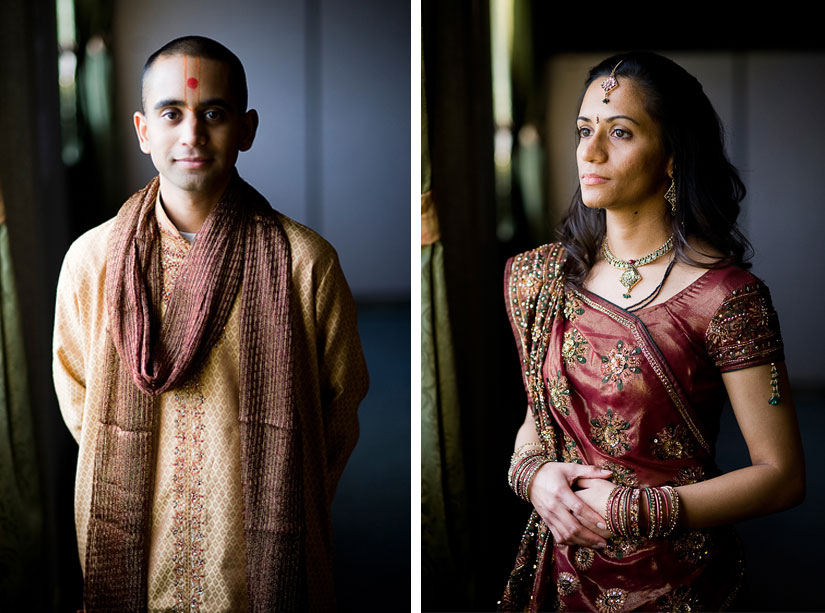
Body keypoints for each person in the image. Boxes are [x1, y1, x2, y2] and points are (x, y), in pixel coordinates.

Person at [52, 35, 368, 612]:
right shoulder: (93, 260)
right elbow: (81, 401)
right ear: (144, 130)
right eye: (172, 113)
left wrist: (278, 490)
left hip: (256, 548)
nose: (192, 134)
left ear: (246, 130)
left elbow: (338, 409)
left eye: (213, 114)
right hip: (132, 536)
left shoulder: (304, 261)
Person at [499, 51, 804, 612]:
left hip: (679, 580)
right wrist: (534, 477)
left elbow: (782, 476)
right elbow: (535, 421)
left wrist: (636, 511)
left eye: (620, 133)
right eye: (583, 130)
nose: (589, 152)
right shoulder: (538, 278)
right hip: (563, 566)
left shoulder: (726, 298)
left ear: (671, 155)